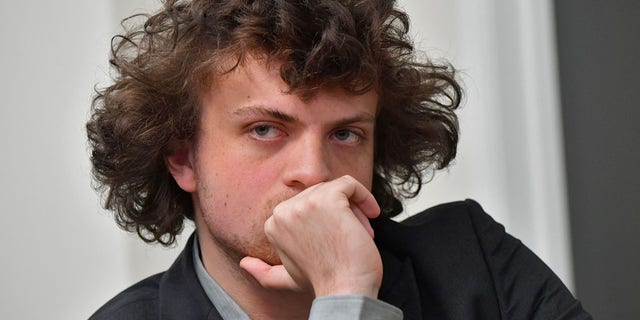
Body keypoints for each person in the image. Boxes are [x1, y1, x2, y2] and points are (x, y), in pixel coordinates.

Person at [86, 0, 592, 319]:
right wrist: (347, 298)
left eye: (346, 133)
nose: (315, 171)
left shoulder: (474, 263)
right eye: (265, 129)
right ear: (182, 158)